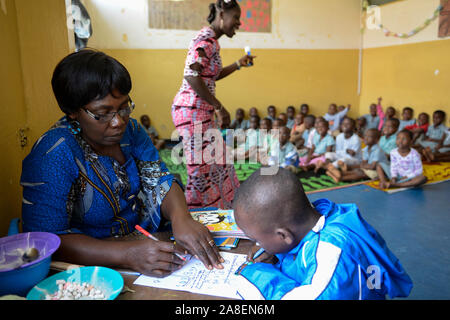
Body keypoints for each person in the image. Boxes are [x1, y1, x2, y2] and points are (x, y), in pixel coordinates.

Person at [20, 50, 225, 277]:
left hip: (141, 242)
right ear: (72, 112)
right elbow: (46, 239)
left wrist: (181, 218)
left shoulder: (133, 131)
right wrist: (126, 254)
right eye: (102, 113)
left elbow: (159, 179)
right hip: (91, 267)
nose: (118, 122)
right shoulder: (54, 153)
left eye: (124, 108)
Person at [232, 168, 413, 300]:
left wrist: (253, 275)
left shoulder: (332, 254)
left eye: (257, 239)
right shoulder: (319, 216)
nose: (257, 245)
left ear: (284, 236)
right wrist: (275, 252)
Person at [171, 0, 255, 209]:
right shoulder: (205, 41)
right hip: (192, 112)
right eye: (235, 17)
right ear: (221, 14)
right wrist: (219, 106)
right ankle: (194, 213)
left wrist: (238, 64)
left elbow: (210, 76)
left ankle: (221, 210)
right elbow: (192, 76)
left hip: (201, 112)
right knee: (200, 169)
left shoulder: (212, 42)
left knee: (221, 162)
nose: (239, 23)